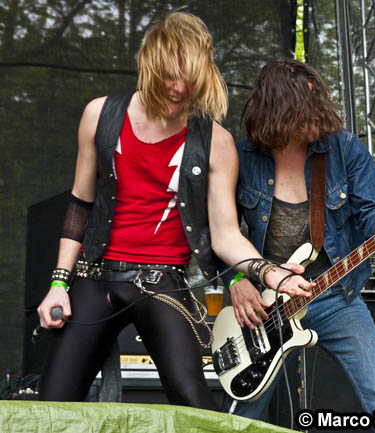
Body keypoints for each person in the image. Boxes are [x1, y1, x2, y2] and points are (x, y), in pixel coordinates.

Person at [36, 11, 310, 410]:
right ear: (149, 66)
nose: (179, 88)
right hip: (96, 276)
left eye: (190, 78)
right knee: (52, 404)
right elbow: (80, 204)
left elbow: (225, 235)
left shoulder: (216, 142)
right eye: (168, 76)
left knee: (193, 400)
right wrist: (59, 284)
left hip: (163, 283)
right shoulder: (99, 115)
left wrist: (270, 272)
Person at [223, 58, 375, 430]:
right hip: (264, 308)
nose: (318, 111)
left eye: (319, 101)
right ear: (278, 106)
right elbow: (221, 232)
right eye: (305, 103)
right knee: (240, 419)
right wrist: (236, 280)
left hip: (335, 296)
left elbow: (373, 211)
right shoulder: (240, 156)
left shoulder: (344, 149)